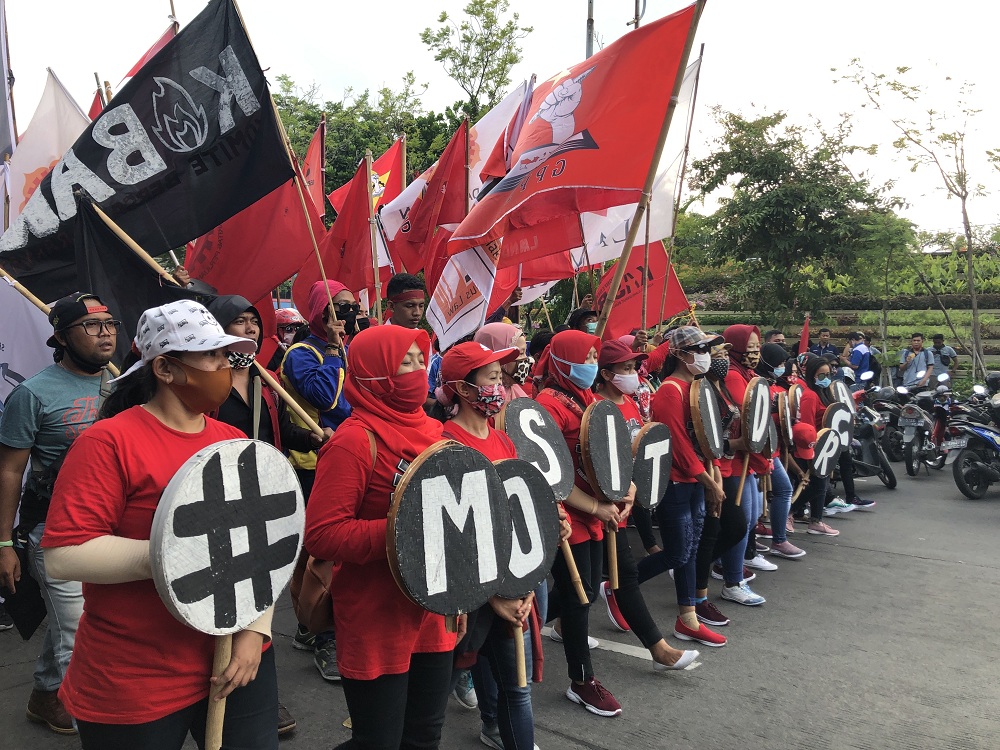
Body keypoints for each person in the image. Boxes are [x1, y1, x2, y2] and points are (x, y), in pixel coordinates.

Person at [40, 301, 278, 749]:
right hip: (135, 678)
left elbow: (263, 544)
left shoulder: (233, 441)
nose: (225, 365)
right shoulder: (108, 441)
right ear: (165, 368)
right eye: (210, 355)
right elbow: (65, 554)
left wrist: (256, 632)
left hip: (237, 660)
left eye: (226, 354)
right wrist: (181, 556)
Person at [304, 325, 460, 749]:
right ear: (372, 375)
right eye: (403, 363)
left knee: (424, 735)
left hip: (434, 614)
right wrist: (405, 531)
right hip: (376, 618)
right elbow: (322, 535)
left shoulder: (435, 431)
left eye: (418, 361)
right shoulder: (353, 442)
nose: (416, 372)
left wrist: (462, 593)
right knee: (378, 742)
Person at [206, 294, 333, 736]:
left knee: (259, 590)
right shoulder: (207, 381)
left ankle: (252, 689)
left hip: (266, 495)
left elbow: (279, 426)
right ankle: (224, 682)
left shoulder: (264, 379)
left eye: (253, 323)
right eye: (238, 322)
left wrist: (318, 437)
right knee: (226, 589)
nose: (250, 330)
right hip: (219, 500)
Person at [0, 293, 118, 735]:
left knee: (79, 620)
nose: (105, 332)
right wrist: (4, 543)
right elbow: (10, 471)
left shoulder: (124, 383)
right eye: (91, 326)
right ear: (61, 337)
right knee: (81, 635)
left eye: (110, 323)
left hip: (111, 527)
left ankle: (44, 695)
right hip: (55, 530)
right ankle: (104, 730)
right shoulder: (32, 394)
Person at [438, 341, 539, 750]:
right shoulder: (446, 445)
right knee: (435, 687)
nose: (500, 386)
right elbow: (456, 538)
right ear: (464, 389)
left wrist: (524, 583)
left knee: (518, 688)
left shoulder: (503, 441)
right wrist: (491, 596)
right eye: (492, 378)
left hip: (512, 586)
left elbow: (515, 515)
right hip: (471, 599)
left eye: (501, 377)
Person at [592, 340, 700, 669]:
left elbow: (639, 451)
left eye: (634, 367)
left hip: (625, 506)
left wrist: (637, 490)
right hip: (603, 510)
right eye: (626, 369)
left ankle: (658, 649)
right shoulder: (595, 407)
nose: (633, 374)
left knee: (603, 580)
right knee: (586, 583)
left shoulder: (631, 404)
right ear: (608, 374)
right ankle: (659, 649)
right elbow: (595, 459)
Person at [534, 330, 625, 716]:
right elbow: (547, 472)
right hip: (566, 514)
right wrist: (593, 505)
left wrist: (627, 486)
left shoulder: (586, 398)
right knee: (577, 595)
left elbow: (608, 449)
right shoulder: (545, 406)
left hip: (595, 510)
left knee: (582, 590)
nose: (592, 366)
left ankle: (531, 623)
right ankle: (581, 678)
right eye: (584, 358)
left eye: (594, 357)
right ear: (562, 360)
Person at [279, 280, 356, 681]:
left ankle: (314, 627)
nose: (346, 313)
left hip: (349, 457)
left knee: (340, 555)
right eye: (337, 307)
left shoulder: (348, 347)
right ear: (318, 311)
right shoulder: (301, 353)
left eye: (350, 306)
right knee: (318, 555)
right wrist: (330, 347)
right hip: (312, 463)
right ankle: (318, 633)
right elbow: (324, 396)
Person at [637, 326, 728, 648]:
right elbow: (677, 444)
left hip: (696, 480)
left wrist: (713, 475)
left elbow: (708, 439)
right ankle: (622, 586)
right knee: (677, 552)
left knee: (689, 551)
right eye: (699, 349)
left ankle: (687, 617)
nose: (705, 355)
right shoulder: (670, 391)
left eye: (706, 348)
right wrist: (709, 482)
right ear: (678, 354)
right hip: (676, 482)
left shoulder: (698, 388)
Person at [755, 344, 805, 559]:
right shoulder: (758, 385)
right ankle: (777, 540)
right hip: (760, 449)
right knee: (780, 491)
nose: (783, 368)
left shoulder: (774, 385)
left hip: (772, 448)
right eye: (780, 363)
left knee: (767, 495)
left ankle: (766, 540)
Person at [789, 357, 840, 536]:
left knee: (822, 483)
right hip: (814, 447)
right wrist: (814, 448)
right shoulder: (810, 395)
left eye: (828, 374)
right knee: (817, 486)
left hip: (826, 446)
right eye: (821, 375)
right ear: (812, 375)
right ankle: (789, 512)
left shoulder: (825, 393)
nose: (825, 378)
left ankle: (816, 521)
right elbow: (808, 426)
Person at [474, 323, 531, 402]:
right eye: (520, 353)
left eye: (525, 353)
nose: (526, 359)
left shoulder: (515, 391)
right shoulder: (487, 403)